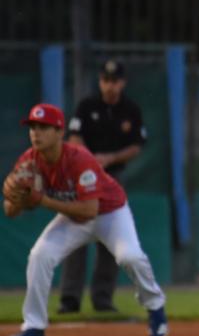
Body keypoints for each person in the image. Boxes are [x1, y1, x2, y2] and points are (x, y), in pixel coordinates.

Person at [3, 103, 167, 336]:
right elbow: (10, 211)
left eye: (44, 127)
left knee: (129, 257)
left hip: (110, 213)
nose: (36, 132)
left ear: (60, 132)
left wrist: (42, 200)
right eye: (33, 127)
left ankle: (156, 307)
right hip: (73, 217)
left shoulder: (80, 159)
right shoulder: (29, 162)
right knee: (40, 255)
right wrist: (17, 198)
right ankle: (34, 328)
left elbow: (90, 210)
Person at [58, 59, 147, 314]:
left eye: (115, 81)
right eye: (106, 81)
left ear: (123, 82)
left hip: (114, 178)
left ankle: (102, 298)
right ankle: (69, 298)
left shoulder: (130, 109)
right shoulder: (87, 106)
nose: (110, 86)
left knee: (111, 235)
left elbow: (137, 145)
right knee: (76, 233)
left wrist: (109, 158)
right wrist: (90, 161)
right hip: (84, 177)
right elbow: (74, 139)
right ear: (100, 81)